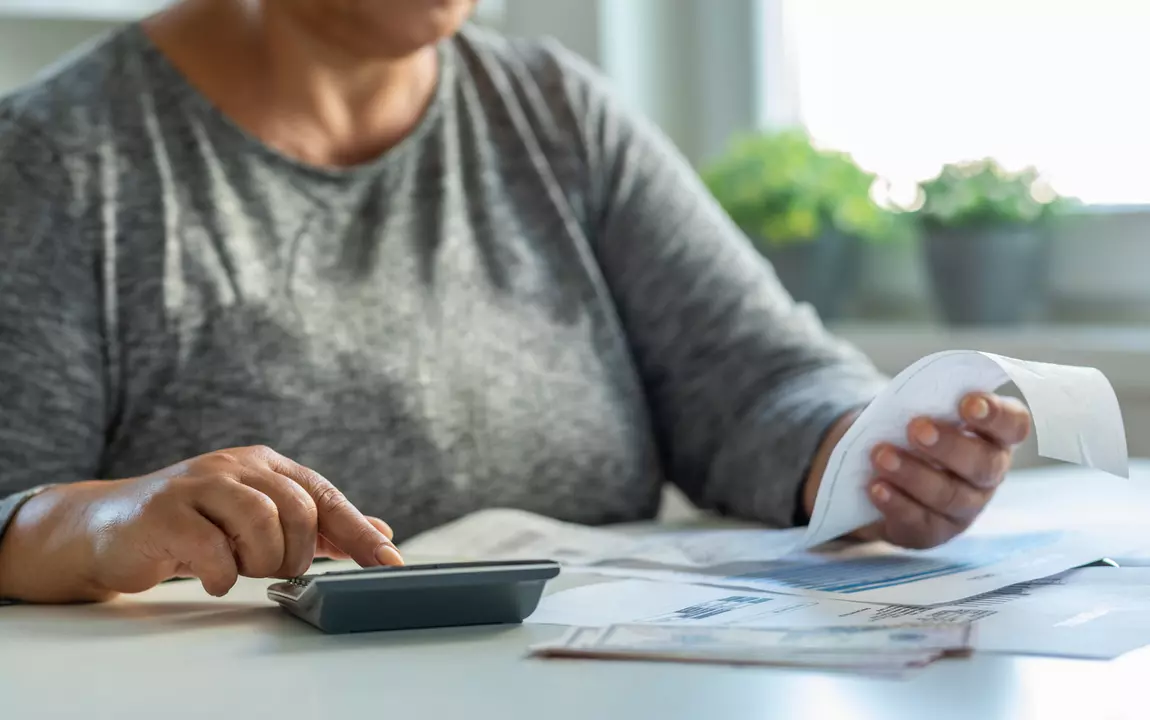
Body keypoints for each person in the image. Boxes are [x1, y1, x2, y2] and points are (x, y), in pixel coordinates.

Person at [0, 0, 1031, 605]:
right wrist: (99, 519)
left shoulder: (554, 113)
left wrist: (876, 456)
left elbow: (754, 380)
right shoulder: (56, 162)